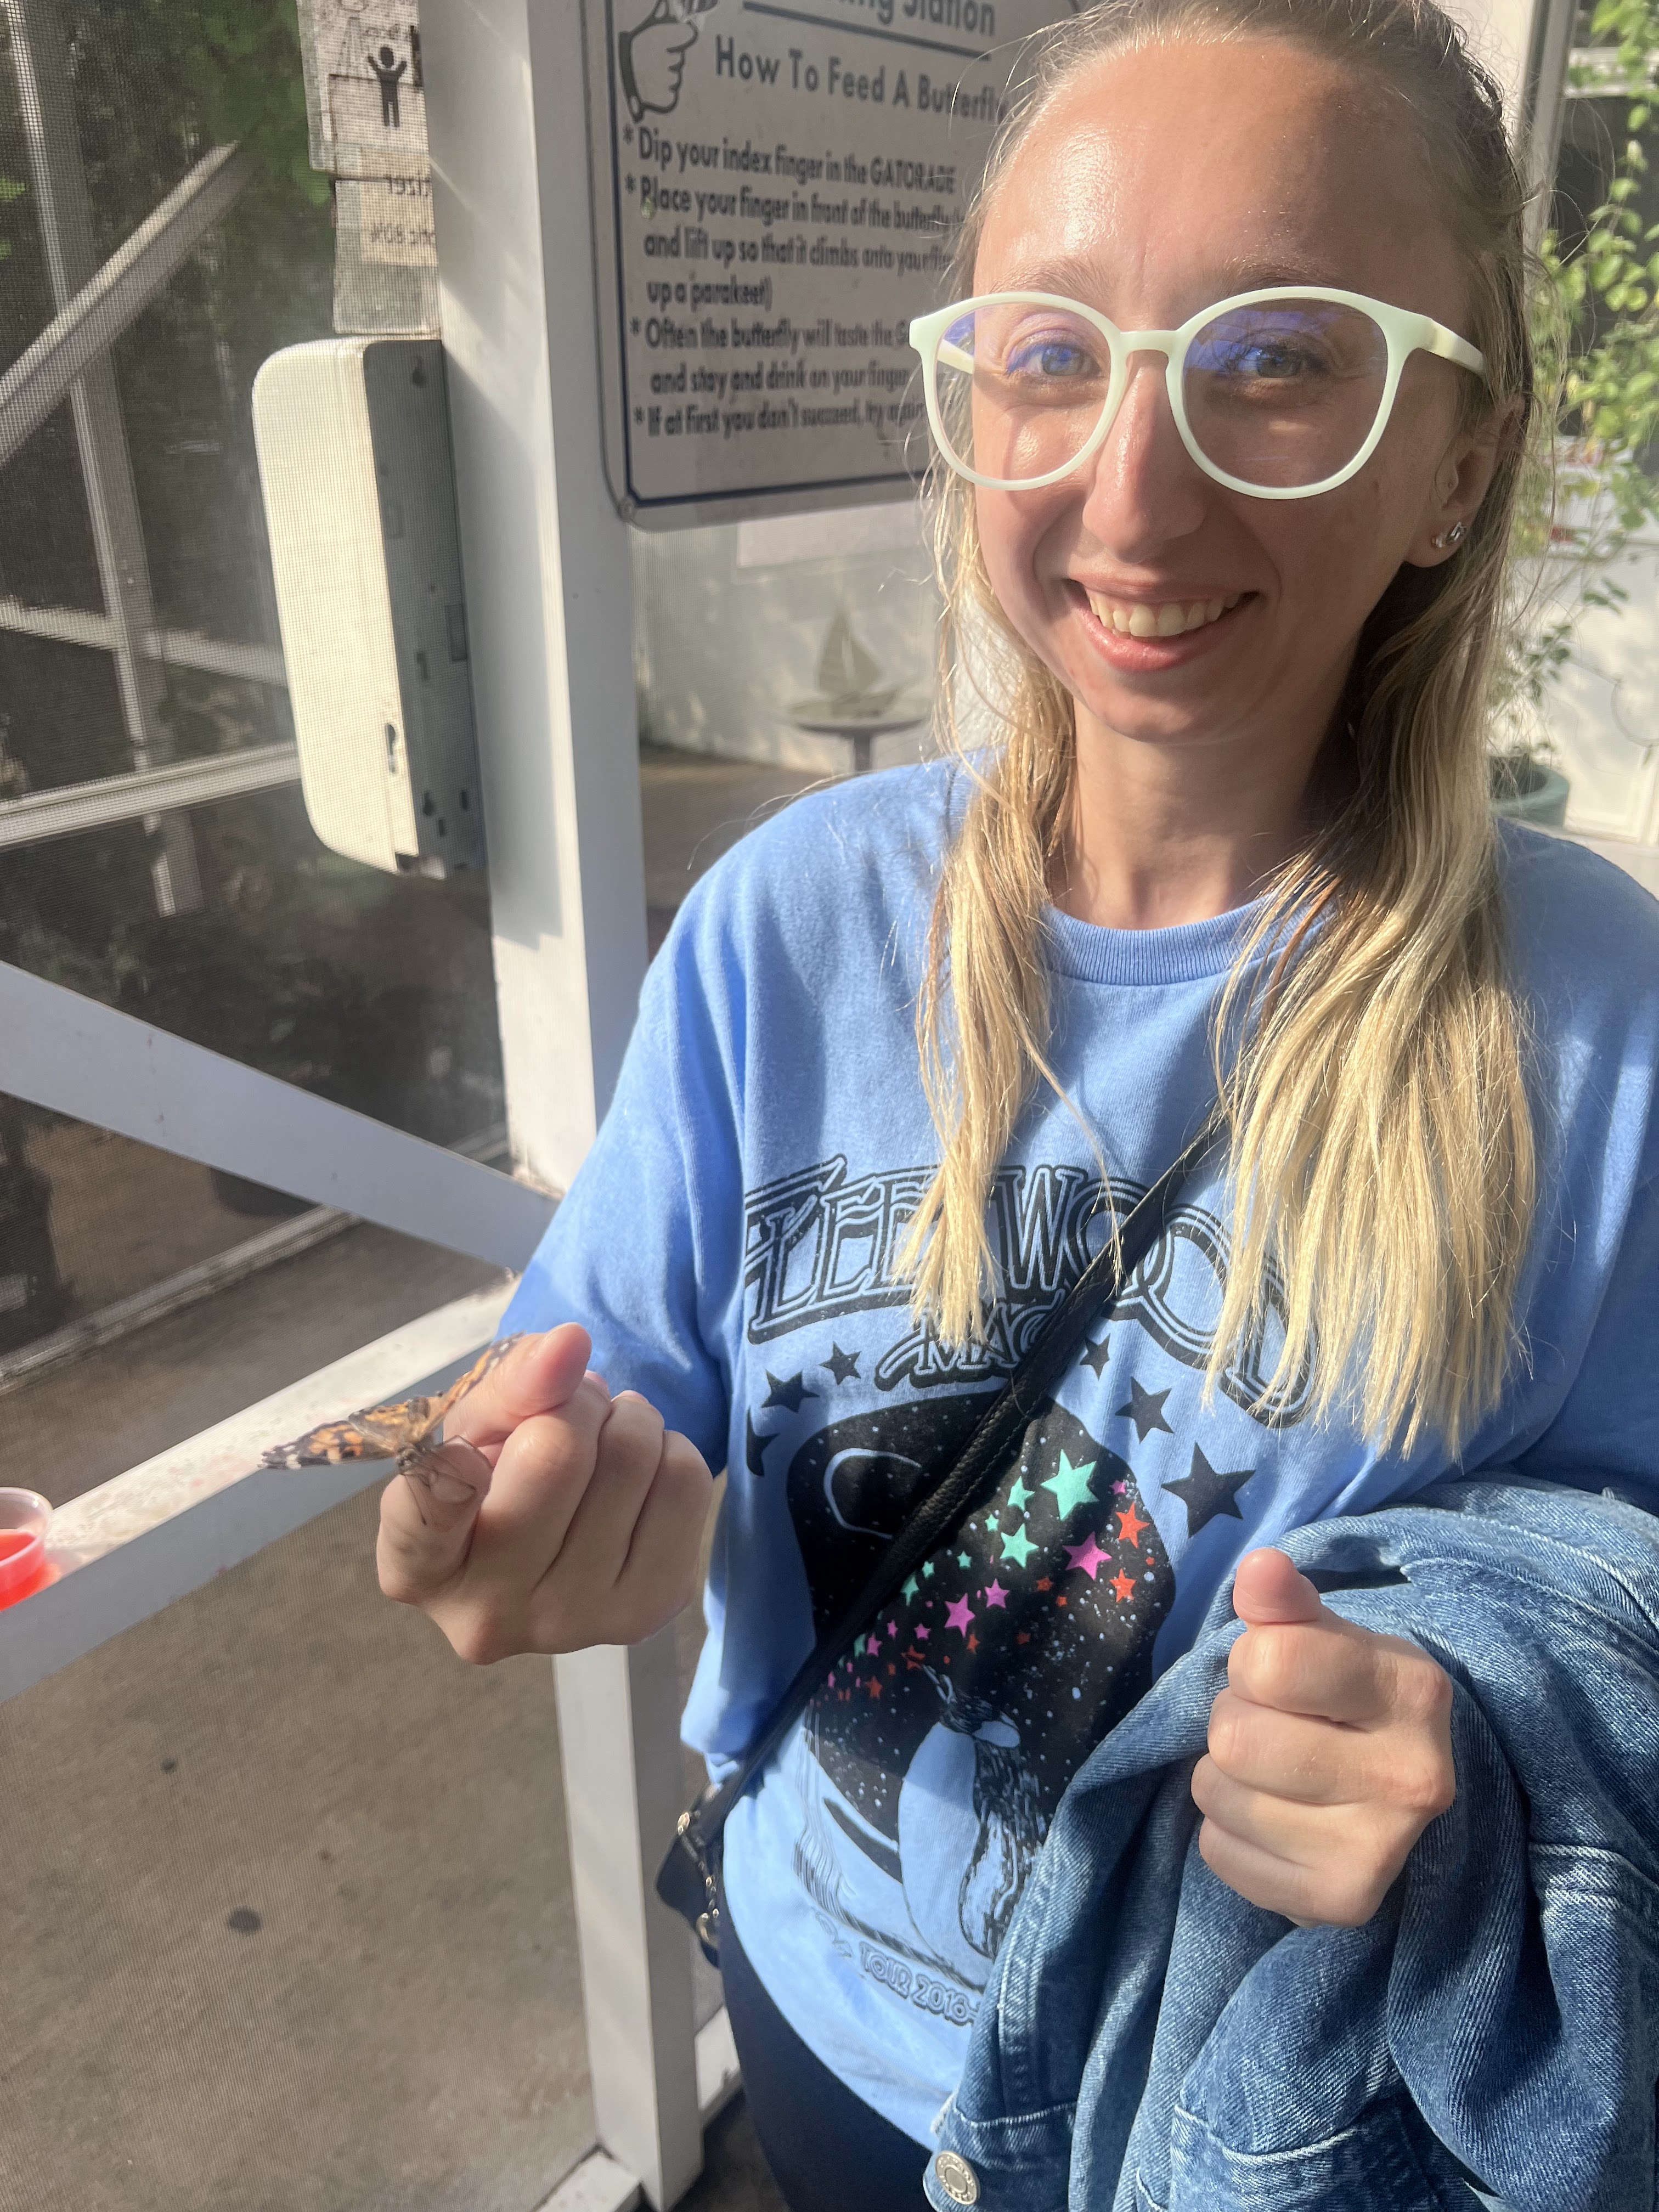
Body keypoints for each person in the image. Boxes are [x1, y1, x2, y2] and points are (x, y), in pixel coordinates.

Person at [375, 1, 1659, 2204]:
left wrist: (1491, 1772)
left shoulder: (1601, 1032)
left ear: (1460, 457)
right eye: (1053, 352)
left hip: (1237, 2122)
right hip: (820, 2032)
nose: (1135, 494)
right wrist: (504, 1508)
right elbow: (598, 1389)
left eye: (1275, 355)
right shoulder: (786, 926)